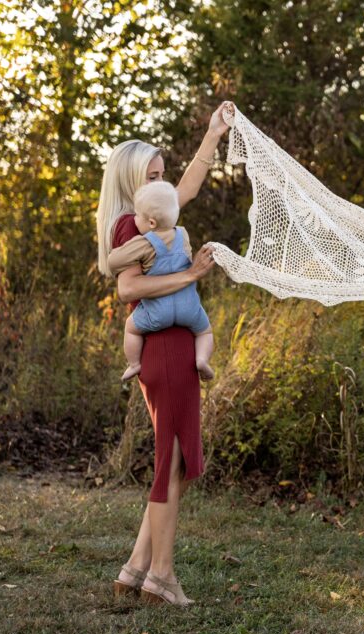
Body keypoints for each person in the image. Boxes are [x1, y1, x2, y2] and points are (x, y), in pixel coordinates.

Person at [97, 101, 234, 607]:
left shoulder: (155, 216)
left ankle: (136, 569)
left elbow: (189, 187)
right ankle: (162, 574)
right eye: (153, 177)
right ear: (133, 183)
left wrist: (213, 134)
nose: (164, 183)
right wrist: (191, 276)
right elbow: (128, 289)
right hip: (165, 349)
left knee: (173, 462)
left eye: (162, 174)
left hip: (171, 345)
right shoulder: (130, 227)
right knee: (169, 463)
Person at [107, 181, 215, 383]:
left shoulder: (144, 243)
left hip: (158, 312)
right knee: (205, 331)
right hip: (188, 307)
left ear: (151, 223)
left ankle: (133, 364)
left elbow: (114, 261)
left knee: (131, 328)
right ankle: (202, 360)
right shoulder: (183, 235)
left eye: (137, 216)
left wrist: (118, 255)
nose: (134, 220)